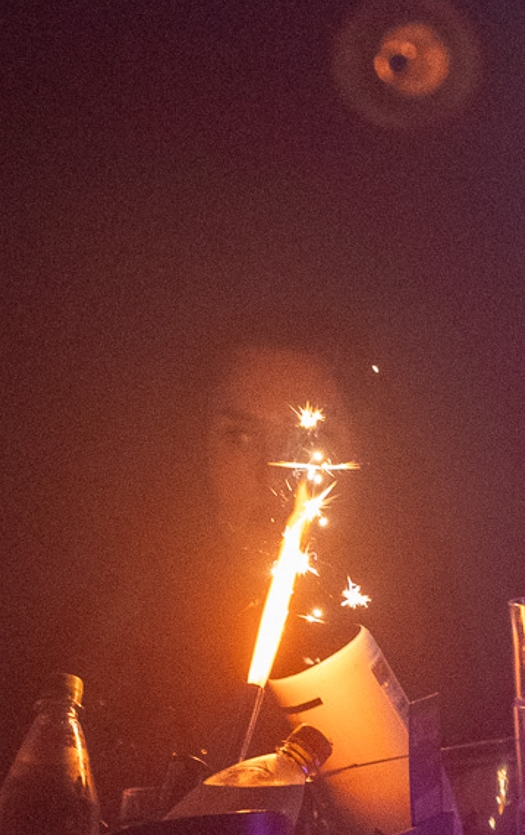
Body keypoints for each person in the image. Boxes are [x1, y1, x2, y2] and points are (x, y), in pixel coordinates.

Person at [77, 320, 369, 800]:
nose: (275, 475)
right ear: (197, 449)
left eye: (308, 439)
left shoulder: (438, 644)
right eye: (240, 437)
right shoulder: (122, 654)